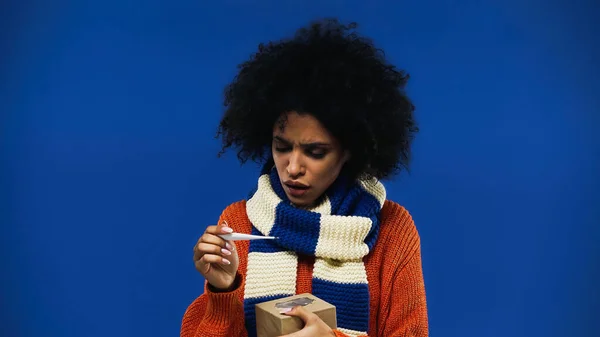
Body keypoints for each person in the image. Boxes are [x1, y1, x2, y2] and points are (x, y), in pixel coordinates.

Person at [181, 18, 428, 337]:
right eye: (281, 147)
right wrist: (223, 291)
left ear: (350, 150)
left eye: (315, 152)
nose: (292, 167)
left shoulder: (393, 230)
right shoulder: (238, 223)